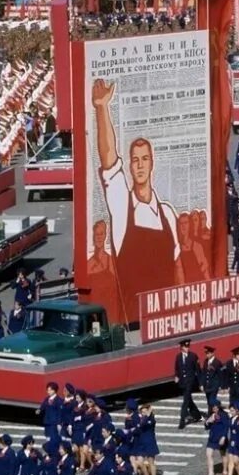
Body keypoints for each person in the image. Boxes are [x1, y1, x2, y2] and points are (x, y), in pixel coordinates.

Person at [92, 79, 186, 320]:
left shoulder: (167, 214)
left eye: (145, 159)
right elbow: (109, 160)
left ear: (152, 163)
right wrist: (102, 108)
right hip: (133, 327)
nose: (140, 164)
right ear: (131, 167)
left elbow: (178, 270)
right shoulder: (123, 209)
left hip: (168, 322)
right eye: (135, 160)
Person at [174, 339, 201, 429]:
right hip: (182, 382)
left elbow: (198, 370)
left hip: (190, 382)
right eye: (185, 346)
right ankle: (197, 415)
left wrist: (200, 383)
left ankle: (182, 420)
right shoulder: (178, 357)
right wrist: (177, 376)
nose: (187, 348)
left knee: (185, 401)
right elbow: (177, 368)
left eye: (188, 346)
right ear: (181, 347)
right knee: (189, 400)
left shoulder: (193, 356)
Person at [204, 399, 229, 475]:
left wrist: (223, 437)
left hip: (220, 437)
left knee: (223, 455)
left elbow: (226, 426)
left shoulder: (224, 415)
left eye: (215, 407)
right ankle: (211, 473)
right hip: (212, 437)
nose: (214, 409)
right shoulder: (211, 415)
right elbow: (206, 426)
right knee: (208, 454)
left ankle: (225, 470)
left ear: (218, 407)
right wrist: (208, 422)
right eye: (212, 407)